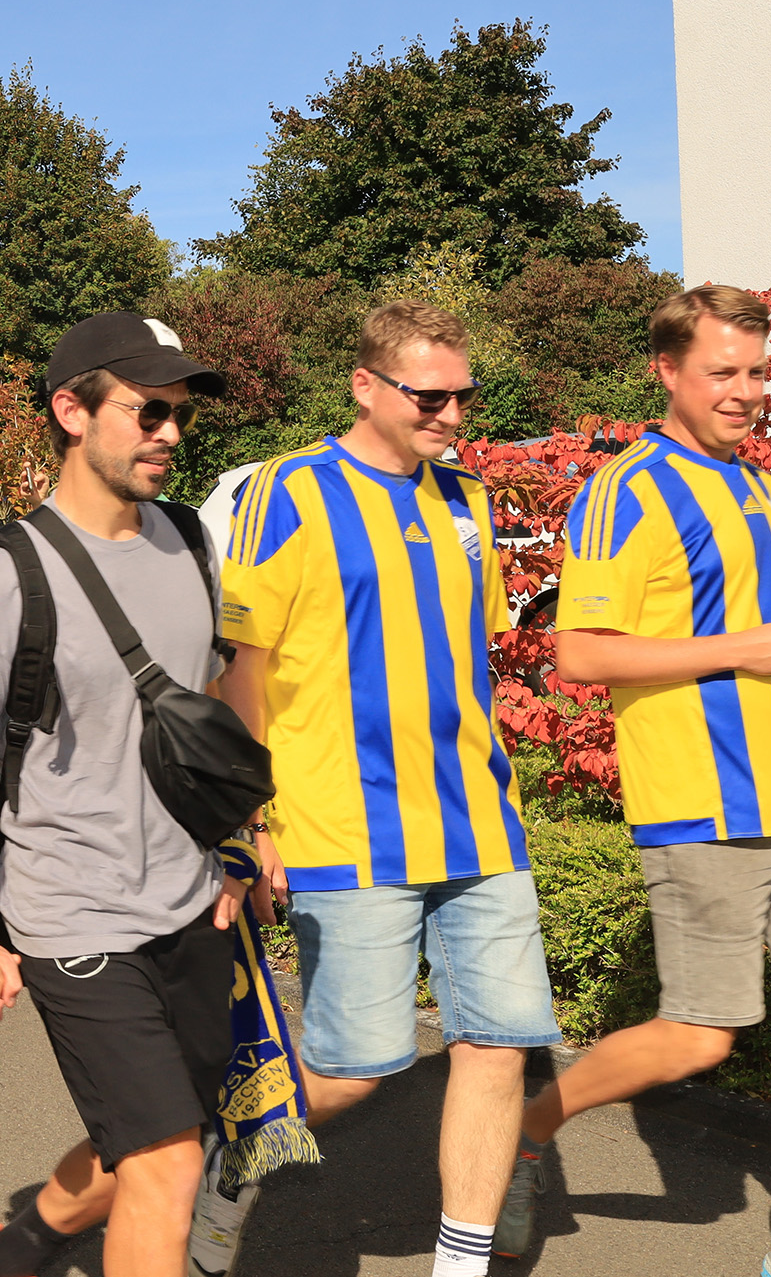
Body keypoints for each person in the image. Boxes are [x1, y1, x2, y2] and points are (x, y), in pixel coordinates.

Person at [503, 286, 771, 1277]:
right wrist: (745, 646)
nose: (745, 391)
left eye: (757, 372)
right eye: (723, 372)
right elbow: (579, 654)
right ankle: (529, 1124)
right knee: (702, 1037)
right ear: (667, 371)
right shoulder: (626, 490)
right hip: (703, 802)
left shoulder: (749, 480)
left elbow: (745, 629)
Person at [215, 300, 559, 1277]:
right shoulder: (288, 490)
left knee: (496, 1046)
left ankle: (461, 1262)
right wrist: (249, 821)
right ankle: (219, 1151)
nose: (452, 413)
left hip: (480, 826)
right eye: (429, 396)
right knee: (350, 1072)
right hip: (343, 829)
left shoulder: (468, 501)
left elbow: (465, 657)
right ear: (365, 386)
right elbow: (241, 673)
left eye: (464, 395)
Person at [0, 312, 252, 1277]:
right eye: (148, 410)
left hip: (192, 900)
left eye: (180, 413)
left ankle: (15, 1250)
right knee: (168, 1160)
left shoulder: (190, 543)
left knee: (165, 1129)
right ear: (72, 411)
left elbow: (212, 703)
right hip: (72, 913)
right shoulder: (4, 579)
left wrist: (245, 835)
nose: (171, 432)